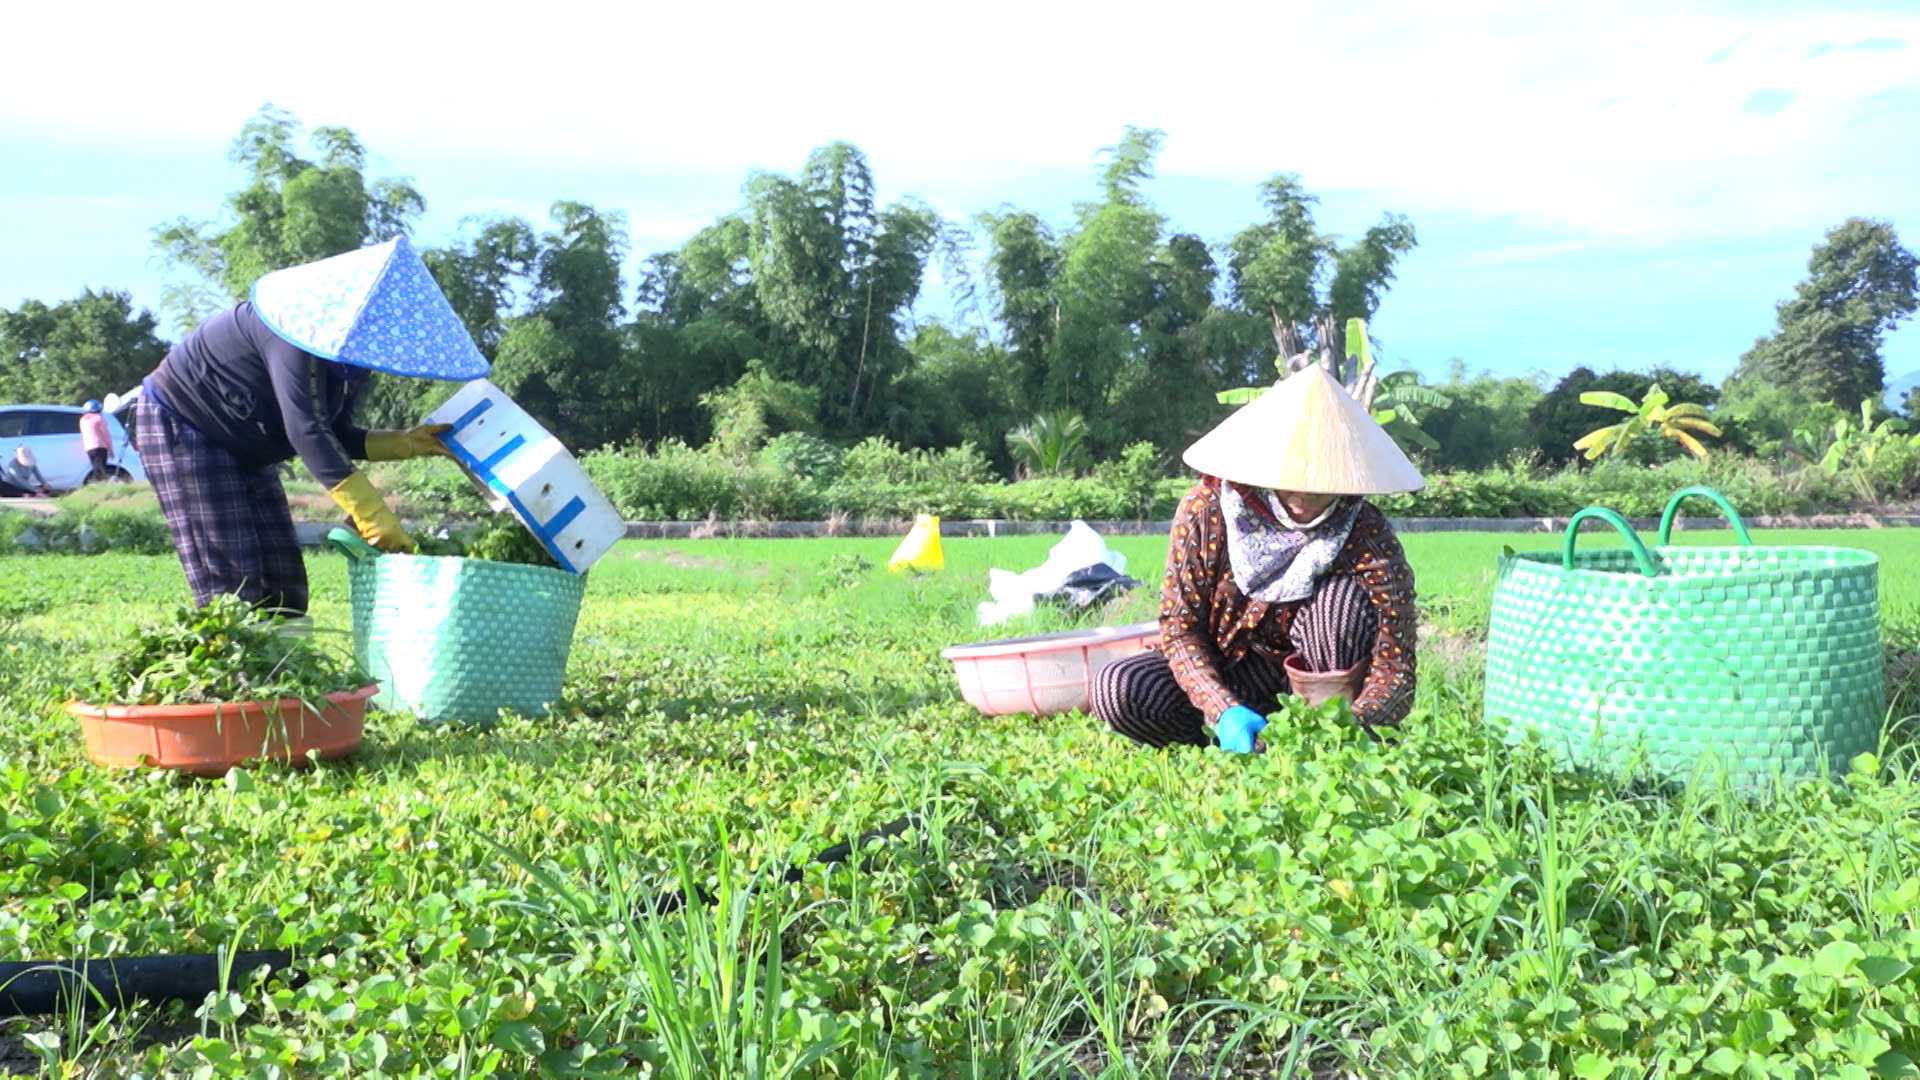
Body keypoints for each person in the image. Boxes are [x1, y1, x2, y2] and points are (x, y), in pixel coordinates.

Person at [135, 235, 490, 616]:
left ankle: (284, 670)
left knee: (283, 581)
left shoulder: (348, 360)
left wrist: (403, 443)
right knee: (235, 583)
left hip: (248, 444)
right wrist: (370, 512)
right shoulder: (292, 334)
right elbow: (305, 430)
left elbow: (331, 431)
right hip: (187, 426)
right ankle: (239, 672)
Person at [1091, 363, 1423, 753]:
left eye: (1319, 484)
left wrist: (1353, 724)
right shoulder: (1207, 510)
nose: (1302, 496)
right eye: (1290, 479)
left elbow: (1395, 666)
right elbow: (1180, 630)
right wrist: (1221, 708)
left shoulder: (1366, 532)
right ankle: (1229, 746)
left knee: (1339, 605)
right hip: (1220, 675)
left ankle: (1319, 750)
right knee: (1118, 688)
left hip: (1310, 689)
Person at [79, 400, 113, 481]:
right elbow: (106, 435)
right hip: (100, 446)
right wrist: (110, 449)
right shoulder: (99, 418)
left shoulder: (82, 420)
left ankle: (98, 483)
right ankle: (98, 483)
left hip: (89, 447)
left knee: (95, 466)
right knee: (100, 468)